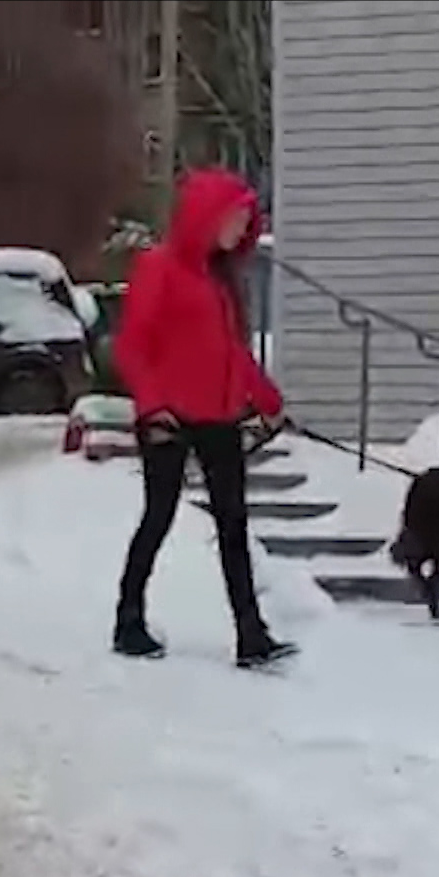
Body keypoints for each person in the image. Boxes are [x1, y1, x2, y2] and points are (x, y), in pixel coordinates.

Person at [110, 166, 297, 669]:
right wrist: (153, 407)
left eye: (246, 220)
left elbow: (232, 352)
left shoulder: (221, 279)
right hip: (167, 418)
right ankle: (129, 621)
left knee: (234, 525)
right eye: (236, 218)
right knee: (160, 516)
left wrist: (268, 401)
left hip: (219, 416)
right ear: (206, 217)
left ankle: (251, 635)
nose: (243, 229)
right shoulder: (159, 268)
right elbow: (133, 347)